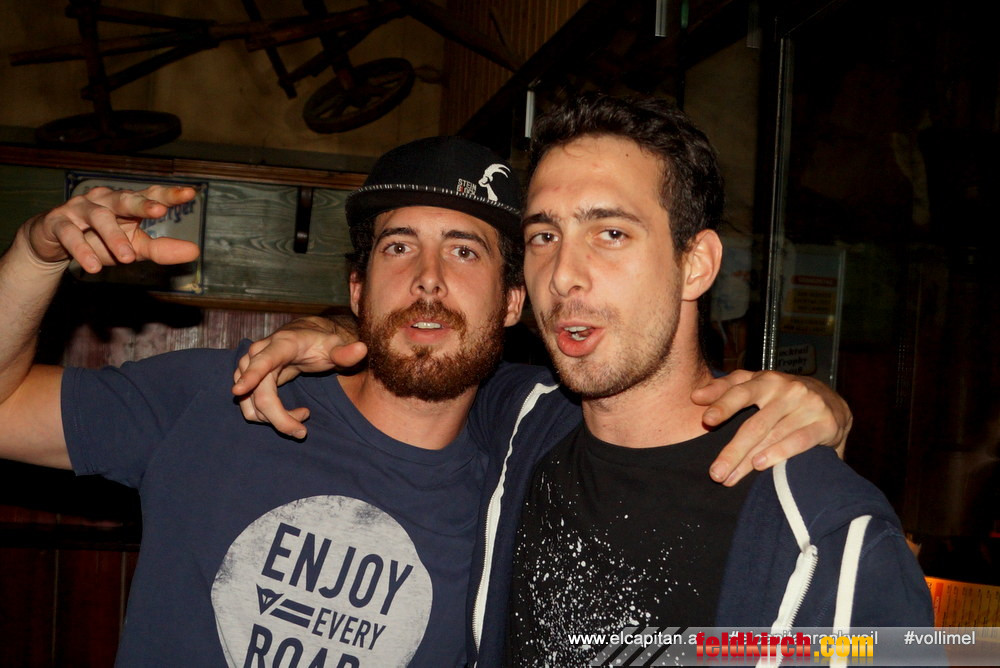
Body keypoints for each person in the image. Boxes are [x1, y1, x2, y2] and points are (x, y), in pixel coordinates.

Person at [0, 137, 846, 667]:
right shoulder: (222, 395)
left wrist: (817, 405)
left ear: (513, 303)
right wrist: (34, 254)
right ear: (357, 288)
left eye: (466, 252)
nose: (430, 280)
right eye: (399, 248)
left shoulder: (526, 462)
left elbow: (656, 401)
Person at [234, 95, 930, 667]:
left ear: (695, 264)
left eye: (611, 233)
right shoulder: (522, 420)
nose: (564, 274)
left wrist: (829, 411)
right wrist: (332, 329)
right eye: (544, 236)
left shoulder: (828, 535)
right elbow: (428, 341)